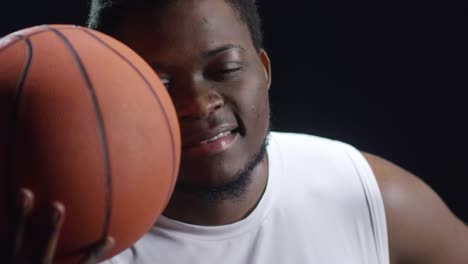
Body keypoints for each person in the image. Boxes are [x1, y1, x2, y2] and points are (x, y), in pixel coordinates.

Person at [5, 0, 468, 263]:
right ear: (110, 97)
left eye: (224, 68)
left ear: (263, 70)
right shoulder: (57, 241)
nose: (199, 103)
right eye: (160, 83)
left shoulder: (361, 195)